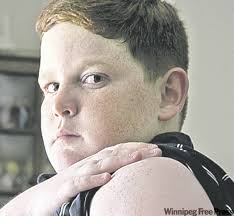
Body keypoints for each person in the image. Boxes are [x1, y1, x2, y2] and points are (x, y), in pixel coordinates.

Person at [1, 0, 234, 215]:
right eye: (51, 86)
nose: (59, 105)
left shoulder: (146, 180)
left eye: (93, 79)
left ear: (167, 94)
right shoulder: (61, 195)